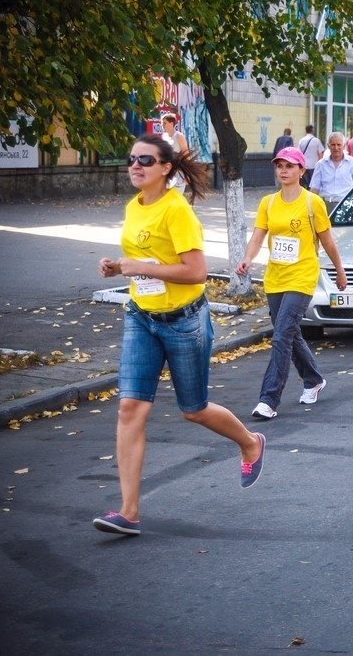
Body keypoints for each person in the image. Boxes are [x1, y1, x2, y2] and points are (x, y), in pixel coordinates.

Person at [92, 134, 266, 537]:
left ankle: (251, 443)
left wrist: (140, 269)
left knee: (194, 408)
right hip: (141, 317)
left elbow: (196, 272)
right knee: (129, 409)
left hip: (184, 321)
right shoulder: (134, 207)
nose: (135, 166)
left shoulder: (177, 211)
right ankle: (129, 512)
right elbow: (146, 259)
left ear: (165, 168)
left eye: (145, 161)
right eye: (131, 159)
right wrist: (118, 267)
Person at [237, 147, 348, 420]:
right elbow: (257, 236)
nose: (283, 171)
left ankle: (268, 399)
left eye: (289, 166)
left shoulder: (312, 203)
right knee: (289, 332)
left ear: (301, 170)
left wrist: (339, 270)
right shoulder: (268, 203)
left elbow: (327, 240)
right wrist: (247, 259)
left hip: (302, 275)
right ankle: (313, 379)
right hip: (275, 278)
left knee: (282, 334)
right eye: (279, 166)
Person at [310, 132, 353, 212]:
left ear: (344, 146)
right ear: (328, 146)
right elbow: (314, 189)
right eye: (333, 145)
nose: (336, 148)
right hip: (325, 206)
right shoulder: (320, 165)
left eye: (339, 145)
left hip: (347, 205)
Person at [160, 113, 189, 196]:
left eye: (164, 123)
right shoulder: (164, 137)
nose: (162, 125)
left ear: (171, 123)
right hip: (166, 172)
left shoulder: (179, 136)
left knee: (175, 198)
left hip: (178, 172)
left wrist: (187, 175)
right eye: (162, 123)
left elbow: (186, 154)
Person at [297, 125, 325, 189]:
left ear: (306, 130)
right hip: (314, 165)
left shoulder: (301, 140)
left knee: (305, 184)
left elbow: (298, 153)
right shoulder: (316, 140)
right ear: (312, 130)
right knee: (313, 184)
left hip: (304, 166)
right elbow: (321, 153)